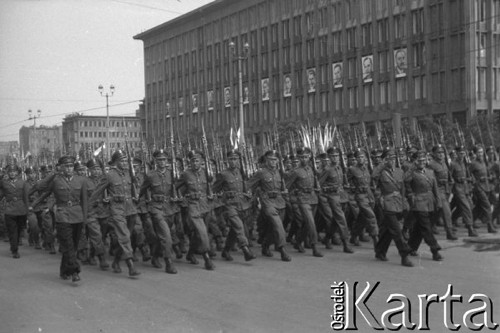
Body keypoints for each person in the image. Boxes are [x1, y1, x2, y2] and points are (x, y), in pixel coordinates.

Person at [30, 155, 88, 282]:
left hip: (77, 215)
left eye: (71, 166)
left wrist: (85, 219)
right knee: (68, 243)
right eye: (66, 166)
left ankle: (63, 270)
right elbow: (41, 187)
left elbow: (84, 201)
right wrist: (53, 174)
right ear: (61, 167)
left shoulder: (81, 180)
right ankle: (74, 270)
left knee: (72, 245)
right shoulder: (56, 180)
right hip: (62, 216)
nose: (69, 169)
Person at [89, 150, 141, 278]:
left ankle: (117, 261)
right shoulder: (109, 175)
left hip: (131, 209)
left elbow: (136, 189)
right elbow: (97, 192)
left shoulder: (130, 174)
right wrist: (87, 207)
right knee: (124, 236)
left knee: (124, 237)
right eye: (121, 161)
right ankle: (130, 265)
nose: (124, 163)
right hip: (117, 209)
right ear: (115, 163)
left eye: (125, 161)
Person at [139, 150, 179, 274]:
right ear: (155, 161)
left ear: (167, 161)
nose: (162, 162)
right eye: (159, 160)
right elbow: (142, 191)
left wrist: (176, 197)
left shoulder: (172, 174)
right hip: (156, 208)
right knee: (166, 235)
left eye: (164, 159)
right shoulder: (150, 175)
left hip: (170, 208)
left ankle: (155, 256)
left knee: (161, 236)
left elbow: (178, 188)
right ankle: (168, 262)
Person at [372, 148, 413, 267]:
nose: (392, 160)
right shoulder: (380, 171)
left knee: (388, 230)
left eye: (393, 158)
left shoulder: (399, 171)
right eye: (389, 158)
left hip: (398, 202)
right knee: (396, 230)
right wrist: (382, 164)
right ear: (384, 160)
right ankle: (404, 255)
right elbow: (373, 176)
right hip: (387, 203)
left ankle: (380, 251)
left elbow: (402, 188)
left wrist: (404, 201)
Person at [213, 149, 256, 262]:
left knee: (234, 229)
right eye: (231, 159)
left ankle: (226, 250)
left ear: (239, 160)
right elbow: (214, 190)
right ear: (227, 160)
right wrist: (223, 197)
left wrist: (248, 194)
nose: (233, 161)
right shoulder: (223, 174)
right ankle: (245, 249)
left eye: (235, 159)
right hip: (230, 205)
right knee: (239, 226)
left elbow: (247, 187)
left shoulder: (242, 172)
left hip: (242, 205)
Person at [248, 150, 291, 261]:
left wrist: (285, 191)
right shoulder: (261, 173)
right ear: (266, 160)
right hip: (268, 203)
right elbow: (249, 185)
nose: (273, 162)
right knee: (278, 226)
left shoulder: (280, 172)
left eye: (275, 159)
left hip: (280, 202)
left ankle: (265, 245)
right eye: (270, 159)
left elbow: (286, 186)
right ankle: (282, 250)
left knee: (274, 228)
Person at [176, 150, 216, 270]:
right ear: (190, 162)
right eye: (192, 160)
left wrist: (211, 195)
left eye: (197, 160)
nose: (195, 163)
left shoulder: (207, 173)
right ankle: (206, 258)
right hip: (193, 206)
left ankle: (190, 253)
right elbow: (175, 187)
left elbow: (211, 187)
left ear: (202, 161)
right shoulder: (186, 174)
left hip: (205, 206)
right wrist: (180, 198)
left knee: (198, 234)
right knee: (202, 232)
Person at [405, 150, 443, 261]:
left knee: (419, 228)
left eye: (423, 160)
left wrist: (439, 201)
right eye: (419, 160)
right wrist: (412, 167)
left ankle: (410, 247)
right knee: (426, 228)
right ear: (415, 161)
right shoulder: (412, 172)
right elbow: (405, 180)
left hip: (430, 203)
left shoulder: (430, 172)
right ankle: (435, 249)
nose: (422, 162)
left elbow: (435, 188)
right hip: (419, 203)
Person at [286, 147, 322, 257]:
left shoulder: (311, 169)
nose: (304, 159)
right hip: (302, 199)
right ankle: (314, 246)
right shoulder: (296, 171)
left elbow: (315, 182)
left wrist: (317, 188)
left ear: (310, 157)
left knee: (307, 224)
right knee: (311, 223)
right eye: (301, 157)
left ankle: (298, 242)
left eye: (306, 157)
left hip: (313, 198)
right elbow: (287, 186)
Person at [0, 163, 29, 259]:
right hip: (10, 210)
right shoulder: (4, 183)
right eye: (10, 172)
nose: (12, 173)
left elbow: (26, 198)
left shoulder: (23, 183)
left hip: (21, 210)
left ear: (17, 172)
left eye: (14, 171)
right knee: (12, 231)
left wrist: (27, 211)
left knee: (19, 229)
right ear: (8, 173)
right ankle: (14, 250)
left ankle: (15, 244)